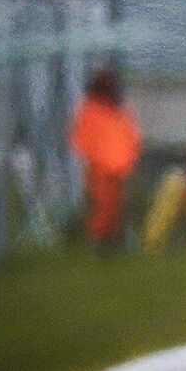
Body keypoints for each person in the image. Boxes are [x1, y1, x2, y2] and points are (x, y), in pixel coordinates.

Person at [70, 65, 142, 249]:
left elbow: (131, 136)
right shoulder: (91, 109)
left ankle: (112, 238)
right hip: (101, 167)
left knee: (116, 205)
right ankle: (100, 238)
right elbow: (83, 139)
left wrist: (130, 157)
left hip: (119, 166)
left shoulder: (118, 111)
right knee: (102, 204)